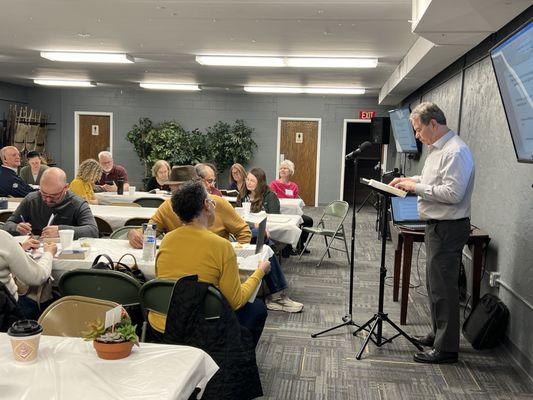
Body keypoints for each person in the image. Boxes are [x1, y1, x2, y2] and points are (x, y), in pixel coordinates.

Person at [128, 165, 303, 313]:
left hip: (215, 262)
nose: (179, 193)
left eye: (182, 188)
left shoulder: (217, 205)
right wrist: (132, 233)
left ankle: (276, 295)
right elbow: (149, 230)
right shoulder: (168, 208)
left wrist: (234, 251)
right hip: (190, 268)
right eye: (175, 189)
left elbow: (243, 231)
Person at [390, 102, 474, 364]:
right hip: (437, 225)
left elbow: (452, 193)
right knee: (434, 284)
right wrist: (411, 180)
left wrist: (416, 189)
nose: (416, 136)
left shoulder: (456, 151)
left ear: (433, 124)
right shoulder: (438, 149)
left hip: (448, 226)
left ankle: (446, 349)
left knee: (444, 287)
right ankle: (438, 333)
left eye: (418, 130)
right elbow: (432, 180)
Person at [152, 180, 271, 346]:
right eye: (211, 201)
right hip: (204, 325)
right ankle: (235, 359)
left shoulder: (167, 240)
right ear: (207, 205)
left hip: (163, 322)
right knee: (257, 309)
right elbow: (236, 302)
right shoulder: (221, 246)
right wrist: (260, 272)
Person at [3, 167, 99, 239]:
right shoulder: (31, 200)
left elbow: (93, 231)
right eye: (44, 194)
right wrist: (16, 227)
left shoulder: (77, 203)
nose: (48, 199)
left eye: (54, 196)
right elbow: (7, 225)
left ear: (66, 187)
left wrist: (61, 231)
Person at [0, 230, 57, 320]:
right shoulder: (3, 238)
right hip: (8, 310)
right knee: (50, 299)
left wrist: (18, 248)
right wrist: (49, 253)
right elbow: (38, 277)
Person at [269, 159, 313, 254]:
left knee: (308, 220)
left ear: (291, 172)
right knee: (290, 223)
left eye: (285, 168)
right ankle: (286, 246)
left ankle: (300, 245)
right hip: (279, 213)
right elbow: (272, 200)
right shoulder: (274, 184)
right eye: (281, 168)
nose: (282, 170)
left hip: (292, 213)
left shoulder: (294, 186)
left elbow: (296, 200)